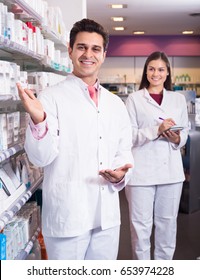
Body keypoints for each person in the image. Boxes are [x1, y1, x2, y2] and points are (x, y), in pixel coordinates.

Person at [17, 18, 133, 260]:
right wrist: (39, 121)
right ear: (70, 50)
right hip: (68, 215)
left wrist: (123, 173)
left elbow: (125, 151)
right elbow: (40, 157)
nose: (88, 54)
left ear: (104, 54)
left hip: (106, 217)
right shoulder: (50, 98)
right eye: (81, 47)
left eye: (95, 48)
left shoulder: (115, 104)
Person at [125, 51, 189, 260]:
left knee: (167, 225)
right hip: (141, 174)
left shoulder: (178, 99)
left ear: (168, 72)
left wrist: (176, 139)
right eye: (151, 68)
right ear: (146, 71)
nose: (156, 73)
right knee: (140, 228)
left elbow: (185, 131)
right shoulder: (134, 99)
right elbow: (129, 136)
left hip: (171, 172)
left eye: (161, 69)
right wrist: (156, 130)